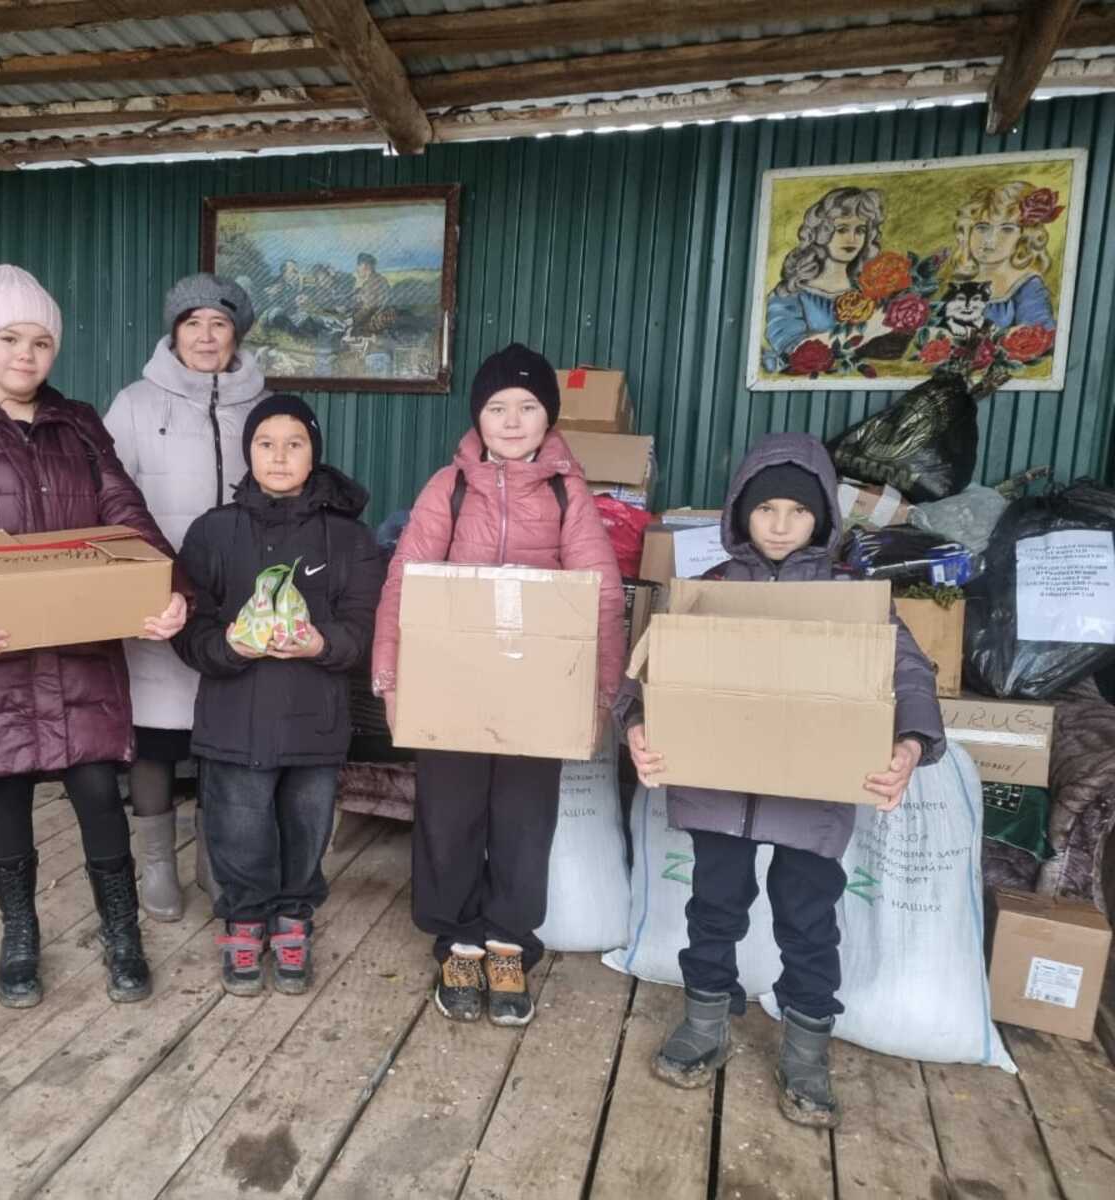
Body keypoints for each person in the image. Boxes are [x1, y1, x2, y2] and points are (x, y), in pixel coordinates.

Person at [617, 431, 945, 1129]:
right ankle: (705, 1025)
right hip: (717, 796)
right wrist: (637, 728)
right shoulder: (705, 593)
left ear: (823, 517)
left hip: (814, 801)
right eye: (766, 510)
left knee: (807, 922)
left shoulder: (852, 599)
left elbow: (910, 674)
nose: (780, 525)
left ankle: (805, 1050)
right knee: (712, 911)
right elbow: (648, 674)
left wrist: (911, 744)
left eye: (798, 512)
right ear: (740, 512)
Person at [0, 265, 187, 1009]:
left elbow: (127, 511)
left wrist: (168, 587)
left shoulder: (80, 425)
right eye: (9, 339)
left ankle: (121, 930)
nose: (26, 355)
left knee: (96, 786)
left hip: (78, 642)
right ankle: (18, 932)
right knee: (8, 788)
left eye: (40, 341)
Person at [371, 343, 627, 1027]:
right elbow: (404, 582)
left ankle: (509, 937)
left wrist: (601, 692)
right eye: (496, 408)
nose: (511, 421)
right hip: (451, 686)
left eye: (527, 407)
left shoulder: (568, 492)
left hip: (537, 691)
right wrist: (391, 676)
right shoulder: (448, 487)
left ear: (549, 417)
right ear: (477, 417)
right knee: (450, 814)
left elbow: (601, 594)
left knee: (522, 817)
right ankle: (455, 934)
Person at [173, 395, 383, 996]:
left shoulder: (347, 538)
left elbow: (364, 628)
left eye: (295, 444)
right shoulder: (213, 531)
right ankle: (243, 918)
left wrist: (321, 643)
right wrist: (230, 647)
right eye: (266, 444)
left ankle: (292, 918)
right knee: (238, 826)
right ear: (249, 453)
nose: (280, 456)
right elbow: (190, 627)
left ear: (314, 453)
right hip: (233, 716)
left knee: (305, 822)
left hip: (313, 719)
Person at [104, 273, 269, 921]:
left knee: (221, 734)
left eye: (220, 324)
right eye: (193, 323)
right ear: (173, 332)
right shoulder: (137, 404)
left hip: (235, 598)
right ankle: (157, 863)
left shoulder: (261, 403)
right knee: (154, 736)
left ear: (237, 336)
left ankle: (212, 854)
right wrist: (142, 582)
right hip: (156, 595)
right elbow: (110, 501)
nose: (206, 336)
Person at [762, 187, 886, 371]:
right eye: (842, 229)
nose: (852, 239)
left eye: (860, 230)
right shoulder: (790, 294)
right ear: (822, 232)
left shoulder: (869, 293)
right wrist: (868, 331)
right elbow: (794, 353)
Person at [949, 180, 1058, 331]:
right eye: (982, 228)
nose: (990, 240)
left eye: (1006, 230)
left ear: (1023, 237)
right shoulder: (961, 283)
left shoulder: (1027, 287)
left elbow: (1038, 338)